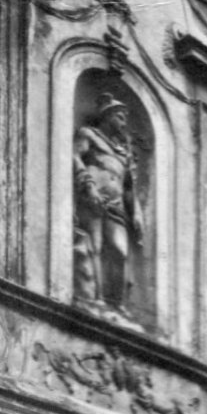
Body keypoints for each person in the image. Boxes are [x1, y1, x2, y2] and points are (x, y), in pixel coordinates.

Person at [73, 92, 142, 309]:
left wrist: (137, 213)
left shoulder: (123, 154)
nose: (124, 123)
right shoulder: (89, 135)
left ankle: (117, 305)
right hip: (93, 198)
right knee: (95, 247)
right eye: (120, 117)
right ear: (108, 115)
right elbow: (74, 156)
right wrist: (89, 185)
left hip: (117, 207)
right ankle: (97, 299)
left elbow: (129, 188)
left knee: (119, 252)